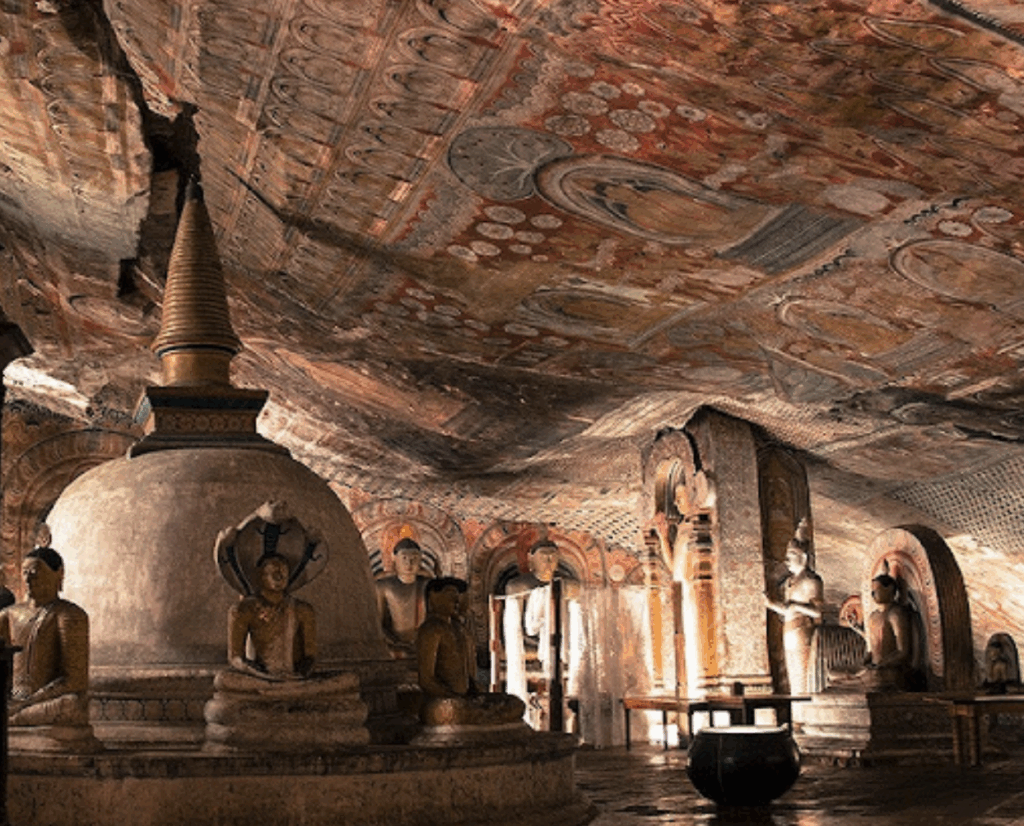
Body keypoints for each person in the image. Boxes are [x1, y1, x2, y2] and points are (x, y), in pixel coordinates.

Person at [0, 545, 90, 726]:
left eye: (35, 572)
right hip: (14, 698)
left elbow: (75, 680)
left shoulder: (69, 615)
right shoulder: (9, 615)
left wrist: (29, 702)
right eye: (25, 572)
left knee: (70, 704)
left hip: (45, 701)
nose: (28, 578)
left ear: (58, 574)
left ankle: (13, 720)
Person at [417, 577, 524, 726]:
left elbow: (468, 674)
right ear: (433, 597)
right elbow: (426, 679)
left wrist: (476, 693)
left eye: (457, 596)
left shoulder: (459, 629)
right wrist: (454, 697)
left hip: (466, 698)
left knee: (515, 704)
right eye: (449, 594)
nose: (455, 600)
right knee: (456, 712)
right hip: (443, 702)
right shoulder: (431, 629)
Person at [226, 552, 316, 681]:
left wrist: (301, 673)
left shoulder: (302, 610)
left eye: (284, 573)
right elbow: (235, 658)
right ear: (260, 576)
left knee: (348, 679)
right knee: (224, 680)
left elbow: (310, 656)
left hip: (294, 677)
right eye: (273, 573)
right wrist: (260, 673)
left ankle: (283, 688)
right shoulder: (243, 610)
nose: (279, 577)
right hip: (260, 678)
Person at [765, 529, 824, 695]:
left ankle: (806, 710)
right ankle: (797, 715)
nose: (787, 560)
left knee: (804, 671)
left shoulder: (811, 581)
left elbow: (817, 612)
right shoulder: (790, 582)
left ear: (804, 557)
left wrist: (796, 607)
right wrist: (770, 604)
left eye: (792, 555)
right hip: (789, 630)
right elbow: (787, 609)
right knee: (792, 673)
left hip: (803, 630)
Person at [375, 538, 432, 657]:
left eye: (414, 559)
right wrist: (395, 643)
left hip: (423, 643)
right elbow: (378, 623)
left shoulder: (427, 585)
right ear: (394, 558)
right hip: (394, 645)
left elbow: (435, 618)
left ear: (420, 560)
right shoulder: (383, 587)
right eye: (404, 558)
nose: (409, 563)